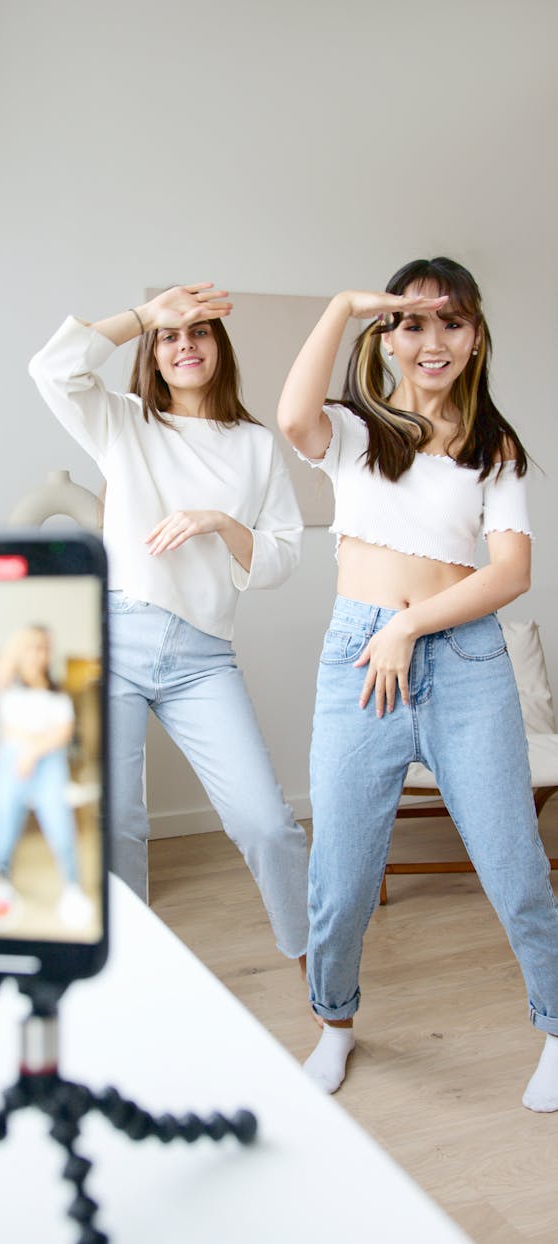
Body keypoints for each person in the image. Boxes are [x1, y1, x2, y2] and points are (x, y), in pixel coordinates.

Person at [277, 256, 558, 1111]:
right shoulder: (358, 432)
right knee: (342, 873)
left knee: (514, 868)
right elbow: (293, 418)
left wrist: (407, 625)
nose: (432, 340)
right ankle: (334, 1025)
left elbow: (510, 573)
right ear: (387, 339)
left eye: (452, 323)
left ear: (475, 341)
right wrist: (342, 305)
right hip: (358, 666)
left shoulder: (493, 449)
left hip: (464, 659)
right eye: (412, 322)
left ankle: (555, 1029)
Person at [28, 284, 309, 963]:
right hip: (113, 640)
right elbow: (52, 368)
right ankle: (129, 973)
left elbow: (282, 557)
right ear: (152, 352)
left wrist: (220, 522)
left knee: (267, 823)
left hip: (202, 657)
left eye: (200, 332)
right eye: (171, 336)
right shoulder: (122, 422)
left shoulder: (255, 446)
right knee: (115, 822)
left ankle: (322, 979)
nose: (186, 344)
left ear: (221, 348)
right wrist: (145, 315)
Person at [0, 625, 92, 930]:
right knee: (4, 826)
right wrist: (23, 637)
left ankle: (72, 889)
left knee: (61, 828)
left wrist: (32, 750)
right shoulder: (8, 687)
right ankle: (1, 882)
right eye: (32, 647)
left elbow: (63, 732)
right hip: (12, 763)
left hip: (47, 763)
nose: (38, 653)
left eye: (44, 647)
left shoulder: (57, 694)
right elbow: (11, 729)